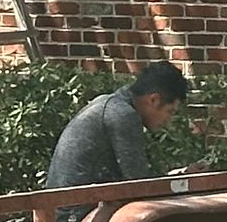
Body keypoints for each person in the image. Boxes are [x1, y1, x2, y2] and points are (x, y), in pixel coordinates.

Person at [46, 60, 188, 192]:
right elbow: (140, 187)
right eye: (170, 111)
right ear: (154, 100)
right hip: (76, 213)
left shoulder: (109, 104)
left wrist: (181, 176)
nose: (168, 120)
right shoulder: (122, 115)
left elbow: (138, 180)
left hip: (71, 208)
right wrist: (184, 185)